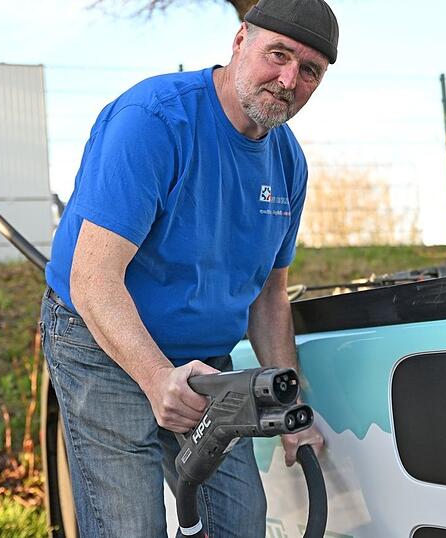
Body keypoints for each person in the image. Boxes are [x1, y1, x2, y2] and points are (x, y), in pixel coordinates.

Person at [39, 0, 338, 535]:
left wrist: (293, 412)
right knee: (131, 525)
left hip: (203, 361)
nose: (289, 79)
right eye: (279, 54)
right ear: (240, 40)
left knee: (239, 521)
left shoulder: (287, 162)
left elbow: (269, 298)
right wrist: (156, 380)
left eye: (310, 70)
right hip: (99, 338)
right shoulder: (155, 122)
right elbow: (93, 278)